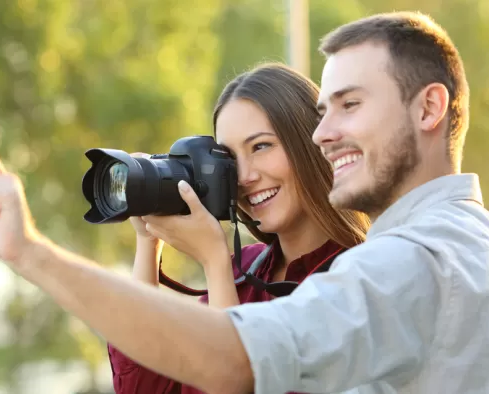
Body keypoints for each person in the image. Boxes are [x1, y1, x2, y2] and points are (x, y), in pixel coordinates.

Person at [0, 11, 489, 394]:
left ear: (430, 109)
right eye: (324, 108)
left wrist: (32, 255)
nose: (322, 132)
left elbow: (235, 363)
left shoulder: (401, 265)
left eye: (349, 105)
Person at [107, 63, 370, 393]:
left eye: (261, 146)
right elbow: (142, 387)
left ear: (313, 144)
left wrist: (215, 263)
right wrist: (148, 240)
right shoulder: (243, 271)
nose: (244, 177)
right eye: (229, 159)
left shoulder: (362, 278)